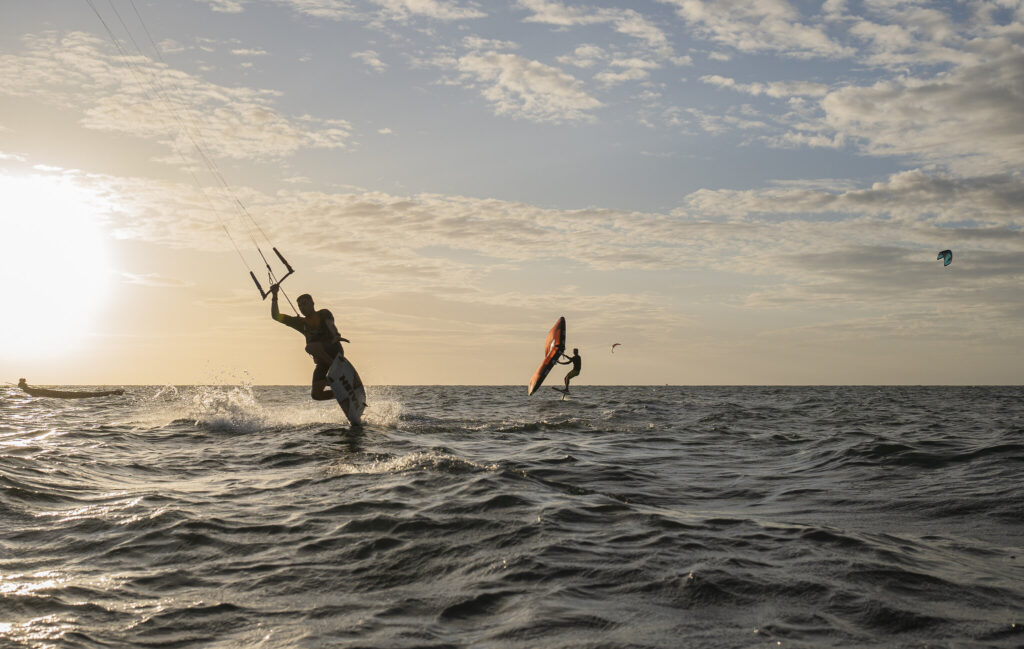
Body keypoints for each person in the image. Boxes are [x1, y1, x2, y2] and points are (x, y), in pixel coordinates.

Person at [270, 285, 349, 401]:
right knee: (316, 394)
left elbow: (330, 324)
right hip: (322, 361)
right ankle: (342, 394)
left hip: (334, 350)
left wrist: (336, 335)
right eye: (300, 305)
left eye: (305, 304)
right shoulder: (300, 323)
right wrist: (274, 295)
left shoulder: (323, 313)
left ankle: (337, 371)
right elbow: (276, 316)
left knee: (310, 347)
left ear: (312, 303)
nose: (302, 307)